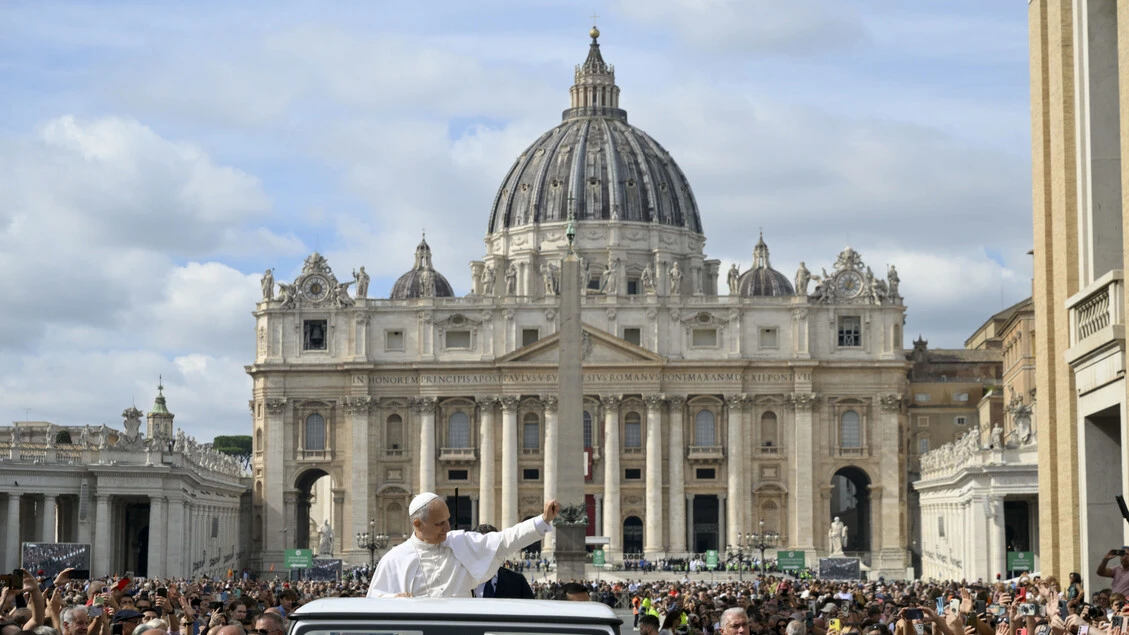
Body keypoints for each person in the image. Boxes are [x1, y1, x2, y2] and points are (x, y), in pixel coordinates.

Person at [367, 493, 559, 597]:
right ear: (417, 524)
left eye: (448, 520)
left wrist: (542, 521)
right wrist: (394, 600)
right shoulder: (394, 559)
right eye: (439, 523)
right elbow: (374, 603)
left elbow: (504, 541)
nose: (447, 527)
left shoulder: (460, 543)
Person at [469, 524, 534, 599]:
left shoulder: (517, 582)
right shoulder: (460, 579)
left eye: (491, 547)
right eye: (482, 548)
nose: (488, 553)